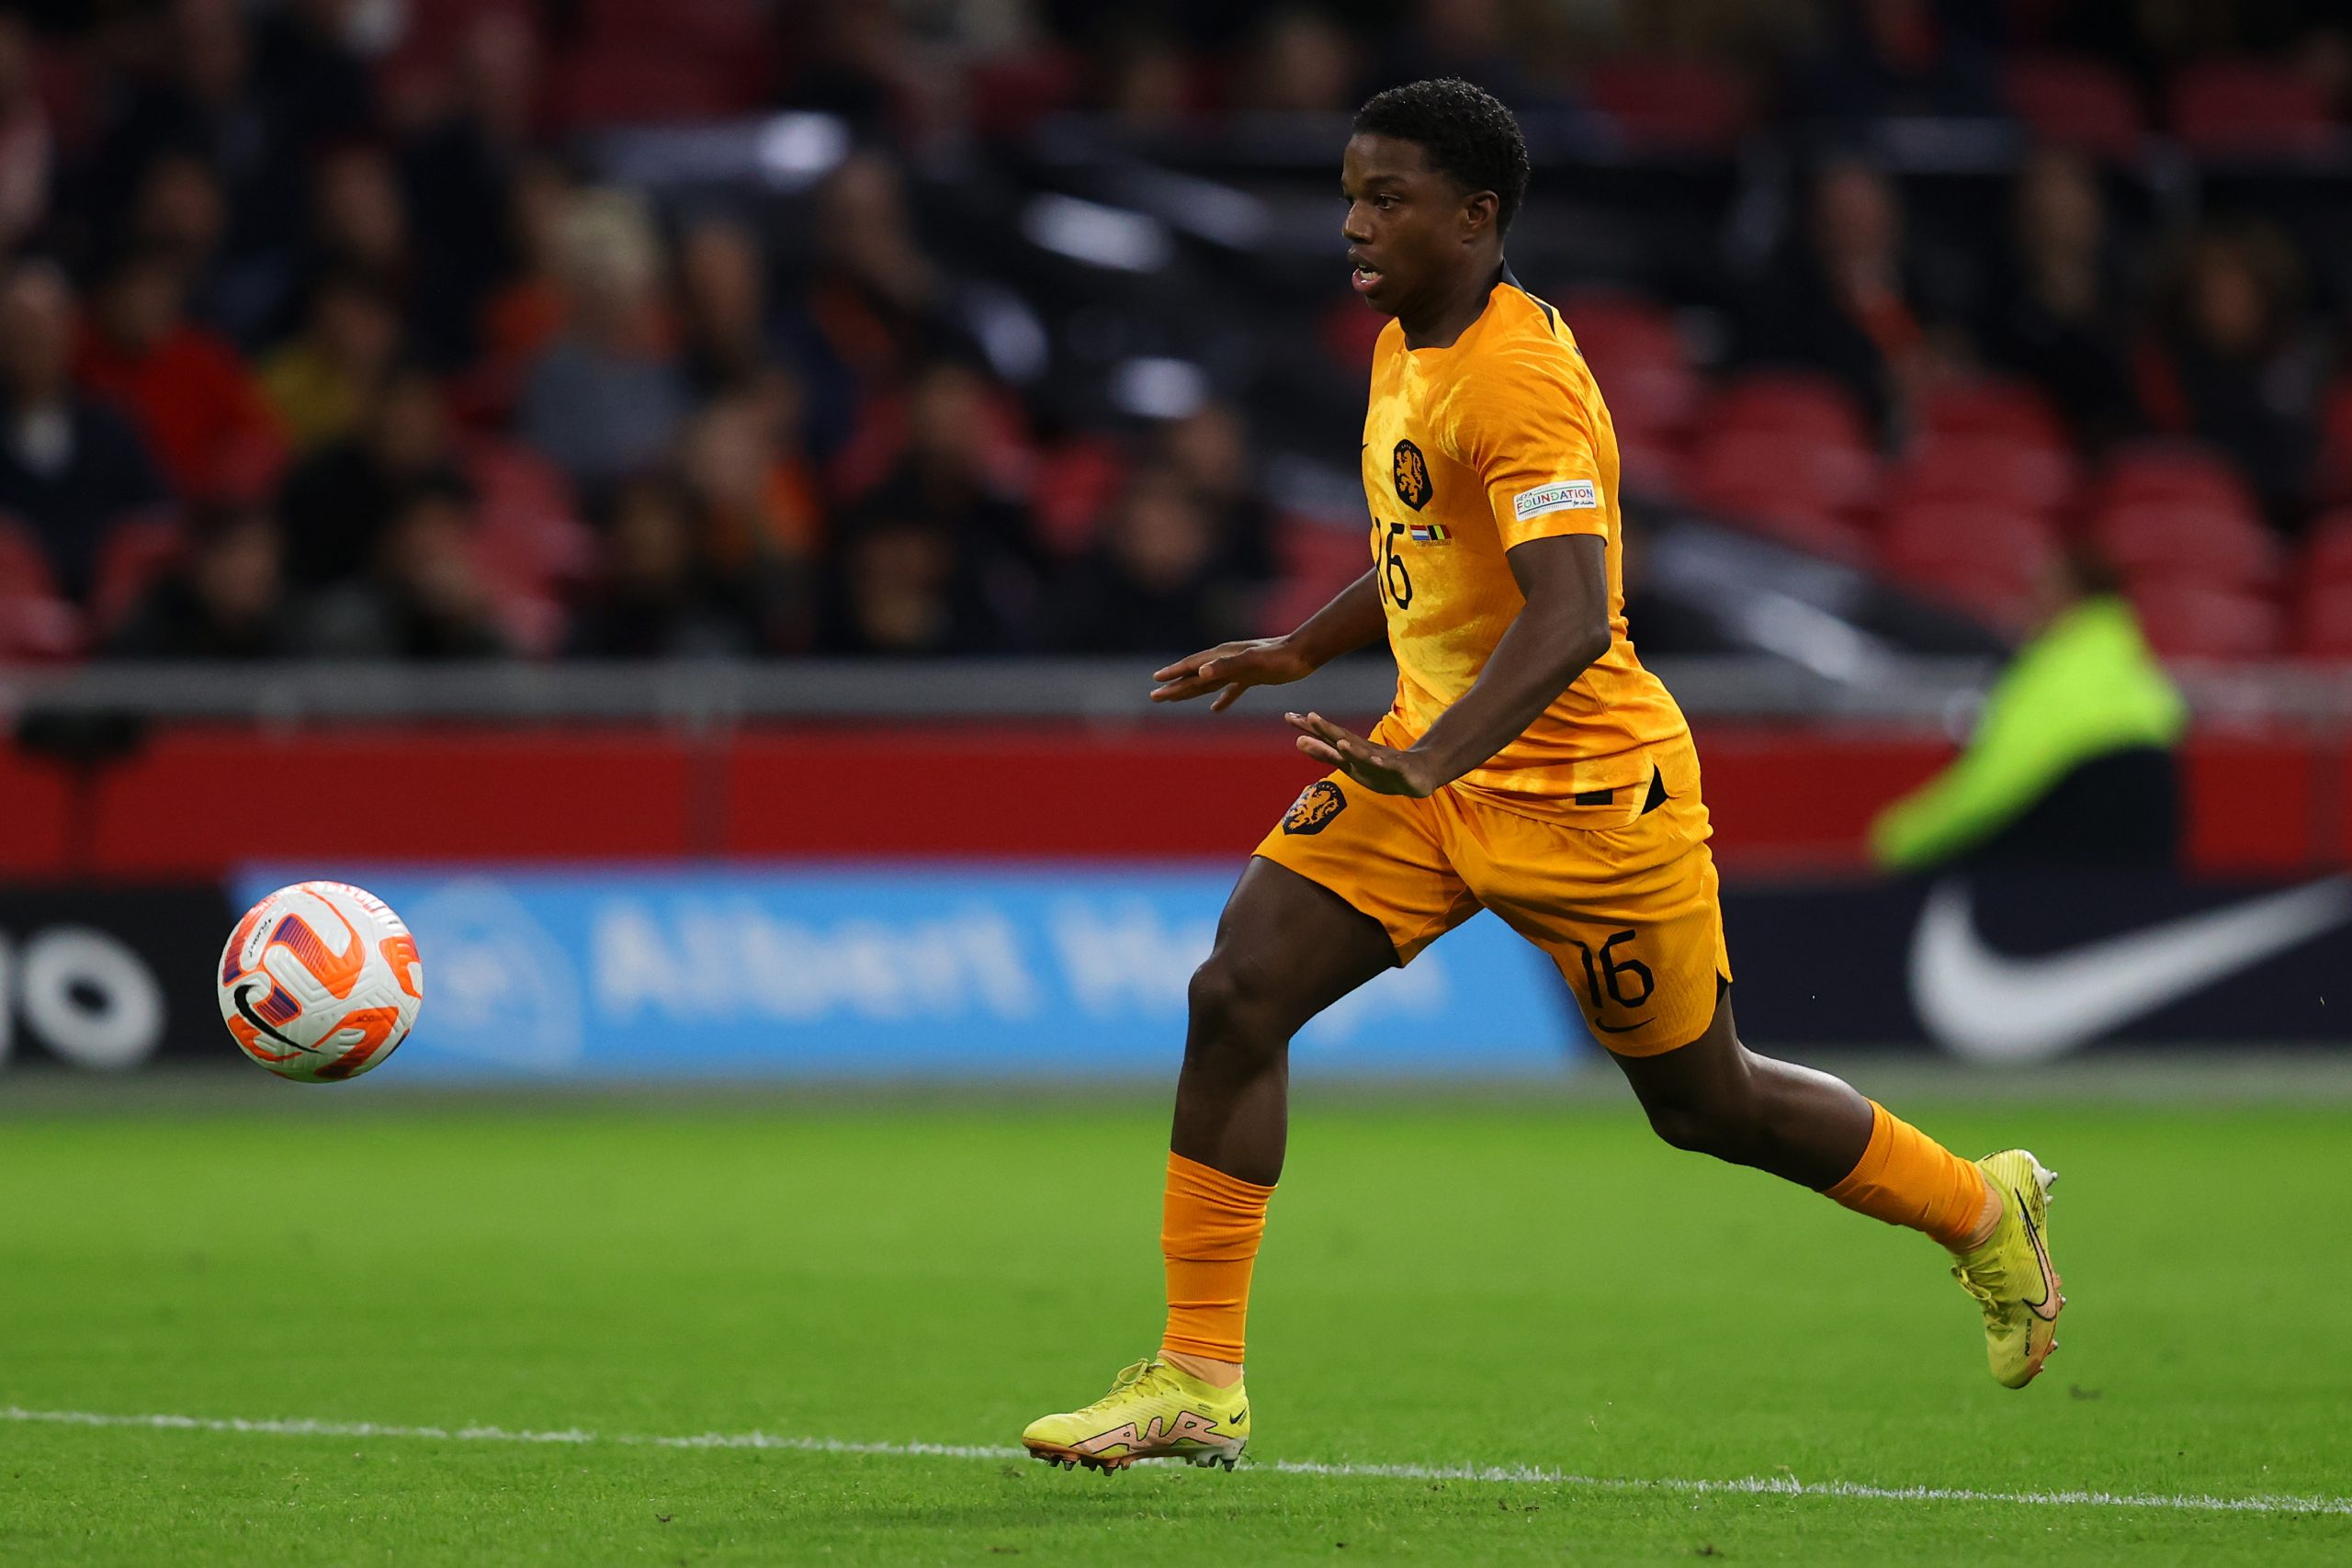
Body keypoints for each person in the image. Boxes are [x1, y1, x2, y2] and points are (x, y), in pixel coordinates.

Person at [1021, 78, 2066, 1475]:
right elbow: (1427, 547)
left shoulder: (1520, 380)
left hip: (1586, 797)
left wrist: (1422, 752)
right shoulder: (1412, 338)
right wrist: (1299, 646)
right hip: (1432, 777)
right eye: (1349, 192)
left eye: (1385, 198)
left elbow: (1572, 617)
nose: (1353, 221)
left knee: (1708, 1103)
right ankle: (1200, 1376)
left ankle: (1979, 1207)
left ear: (1478, 214)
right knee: (1236, 993)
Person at [1871, 549, 2184, 872]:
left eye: (2038, 591)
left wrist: (1902, 839)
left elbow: (1995, 786)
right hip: (2138, 870)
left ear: (2068, 596)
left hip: (2062, 871)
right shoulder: (2136, 667)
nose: (2025, 605)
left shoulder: (2056, 670)